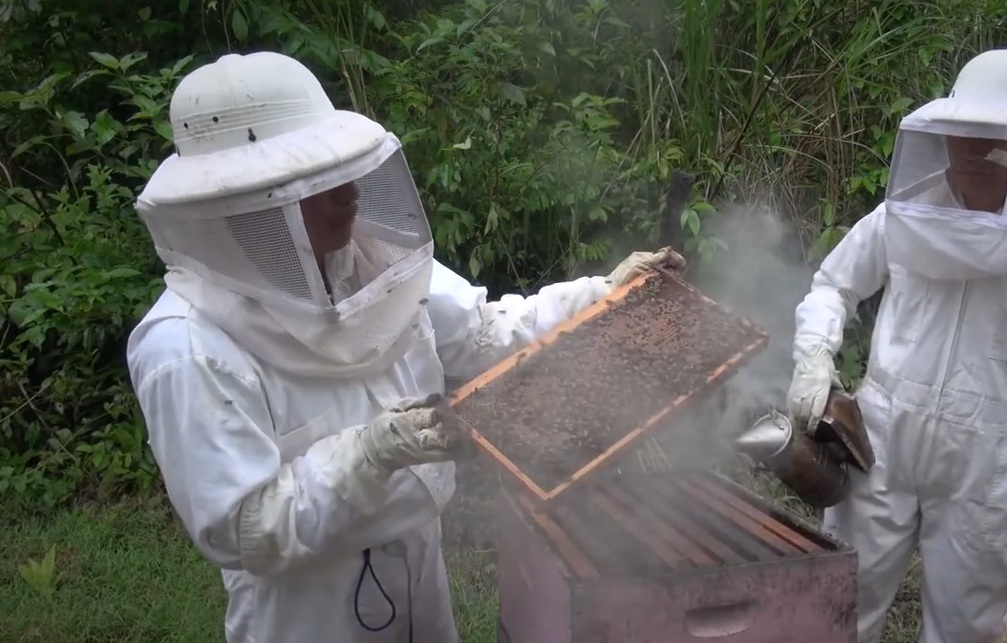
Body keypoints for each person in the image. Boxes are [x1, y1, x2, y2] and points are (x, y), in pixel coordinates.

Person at [125, 51, 685, 643]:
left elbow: (482, 334)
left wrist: (601, 296)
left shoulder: (374, 260)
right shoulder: (187, 347)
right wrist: (367, 454)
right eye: (314, 182)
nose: (348, 195)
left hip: (420, 564)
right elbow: (245, 530)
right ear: (247, 209)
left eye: (340, 168)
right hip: (307, 609)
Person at [785, 48, 1007, 643]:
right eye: (960, 132)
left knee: (966, 626)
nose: (967, 151)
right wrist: (814, 355)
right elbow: (834, 285)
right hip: (881, 439)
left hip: (989, 461)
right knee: (841, 603)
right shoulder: (905, 214)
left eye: (989, 137)